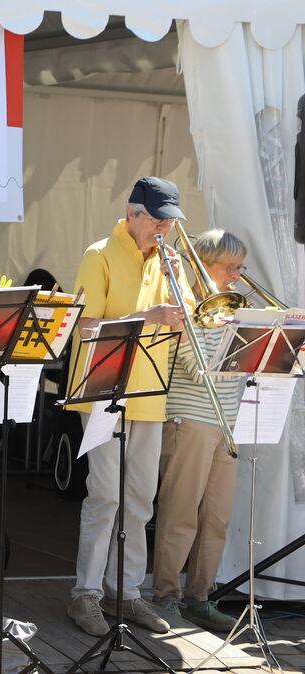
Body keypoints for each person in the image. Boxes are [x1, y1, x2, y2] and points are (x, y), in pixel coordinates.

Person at [64, 176, 194, 638]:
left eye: (170, 222)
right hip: (103, 388)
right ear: (132, 213)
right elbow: (84, 326)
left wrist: (178, 289)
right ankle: (85, 594)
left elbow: (189, 325)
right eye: (158, 220)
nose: (165, 228)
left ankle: (127, 591)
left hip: (150, 393)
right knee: (106, 496)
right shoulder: (99, 254)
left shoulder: (168, 260)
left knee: (140, 499)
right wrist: (147, 317)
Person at [151, 229, 247, 632]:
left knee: (217, 517)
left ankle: (199, 597)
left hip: (226, 422)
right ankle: (166, 594)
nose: (237, 276)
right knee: (180, 512)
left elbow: (242, 369)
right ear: (203, 265)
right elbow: (198, 368)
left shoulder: (234, 310)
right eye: (229, 267)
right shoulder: (185, 306)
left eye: (240, 267)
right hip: (188, 419)